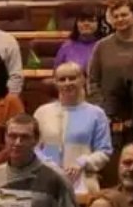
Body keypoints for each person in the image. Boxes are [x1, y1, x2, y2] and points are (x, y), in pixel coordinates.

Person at [33, 62, 111, 191]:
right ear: (55, 83)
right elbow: (33, 147)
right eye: (62, 79)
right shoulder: (42, 112)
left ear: (83, 80)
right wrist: (47, 164)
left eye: (72, 78)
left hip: (83, 181)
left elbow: (104, 151)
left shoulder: (96, 113)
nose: (67, 83)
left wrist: (82, 163)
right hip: (47, 180)